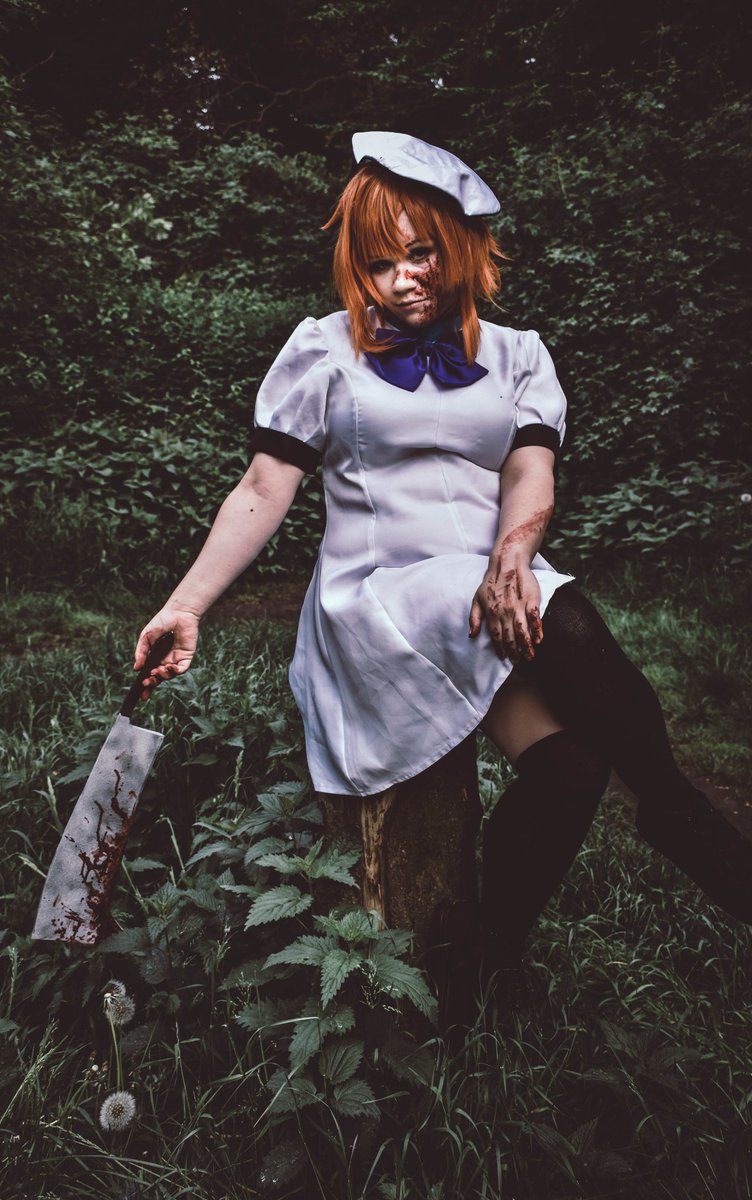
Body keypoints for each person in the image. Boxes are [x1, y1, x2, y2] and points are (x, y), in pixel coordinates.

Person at [134, 132, 752, 1018]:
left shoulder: (517, 354)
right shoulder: (322, 350)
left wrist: (513, 556)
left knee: (572, 770)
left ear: (458, 243)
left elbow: (531, 468)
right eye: (378, 265)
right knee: (565, 618)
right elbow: (265, 486)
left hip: (484, 591)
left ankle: (480, 964)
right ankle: (679, 813)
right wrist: (186, 604)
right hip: (380, 597)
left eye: (419, 253)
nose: (402, 280)